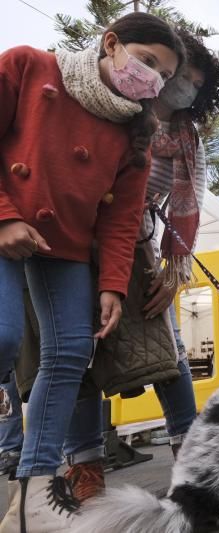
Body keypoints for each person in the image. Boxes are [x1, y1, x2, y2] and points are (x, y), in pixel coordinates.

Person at [0, 12, 183, 530]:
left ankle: (34, 499)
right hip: (5, 220)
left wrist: (111, 288)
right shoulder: (28, 67)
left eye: (162, 76)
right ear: (110, 43)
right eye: (146, 62)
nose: (152, 80)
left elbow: (122, 220)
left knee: (72, 352)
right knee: (4, 335)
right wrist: (5, 218)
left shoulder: (135, 135)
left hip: (67, 249)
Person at [50, 28, 219, 503]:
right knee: (77, 351)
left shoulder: (189, 140)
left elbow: (190, 203)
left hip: (140, 246)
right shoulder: (114, 109)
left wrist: (176, 271)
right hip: (76, 235)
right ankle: (83, 466)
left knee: (167, 346)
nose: (178, 85)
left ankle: (191, 451)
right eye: (173, 76)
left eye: (190, 81)